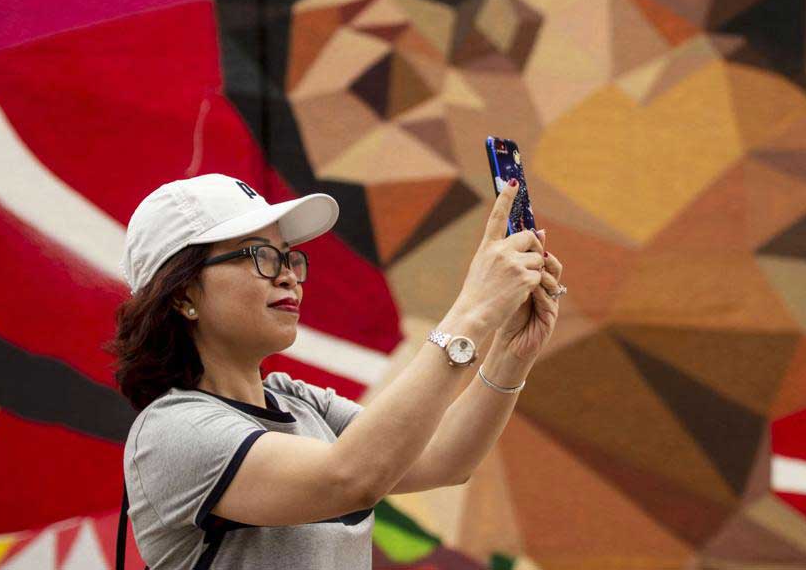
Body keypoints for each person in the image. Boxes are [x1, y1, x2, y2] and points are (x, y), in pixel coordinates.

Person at [108, 172, 566, 569]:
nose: (287, 275)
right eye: (258, 256)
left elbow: (443, 458)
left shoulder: (297, 401)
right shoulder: (171, 431)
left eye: (288, 257)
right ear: (181, 294)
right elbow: (350, 478)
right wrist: (471, 312)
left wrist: (510, 353)